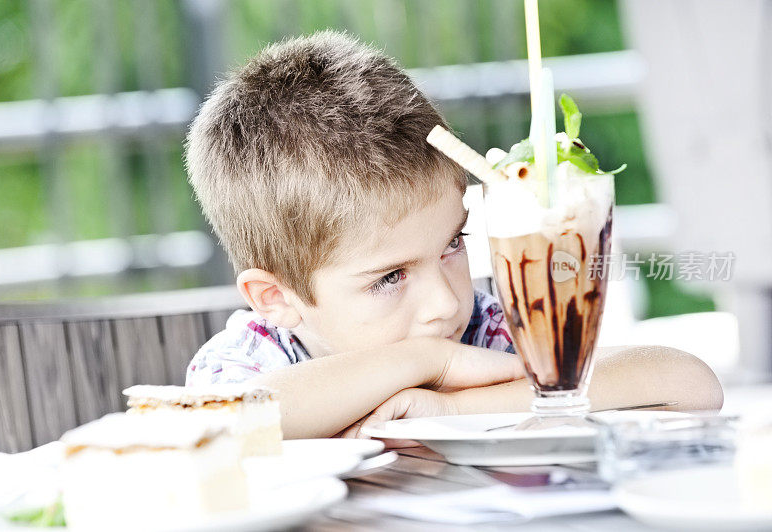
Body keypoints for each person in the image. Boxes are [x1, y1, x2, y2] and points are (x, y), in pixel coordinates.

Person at [184, 30, 723, 439]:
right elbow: (224, 429)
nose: (445, 303)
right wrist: (425, 364)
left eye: (452, 245)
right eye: (390, 277)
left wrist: (454, 406)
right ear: (276, 298)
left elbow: (690, 384)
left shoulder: (484, 332)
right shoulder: (252, 360)